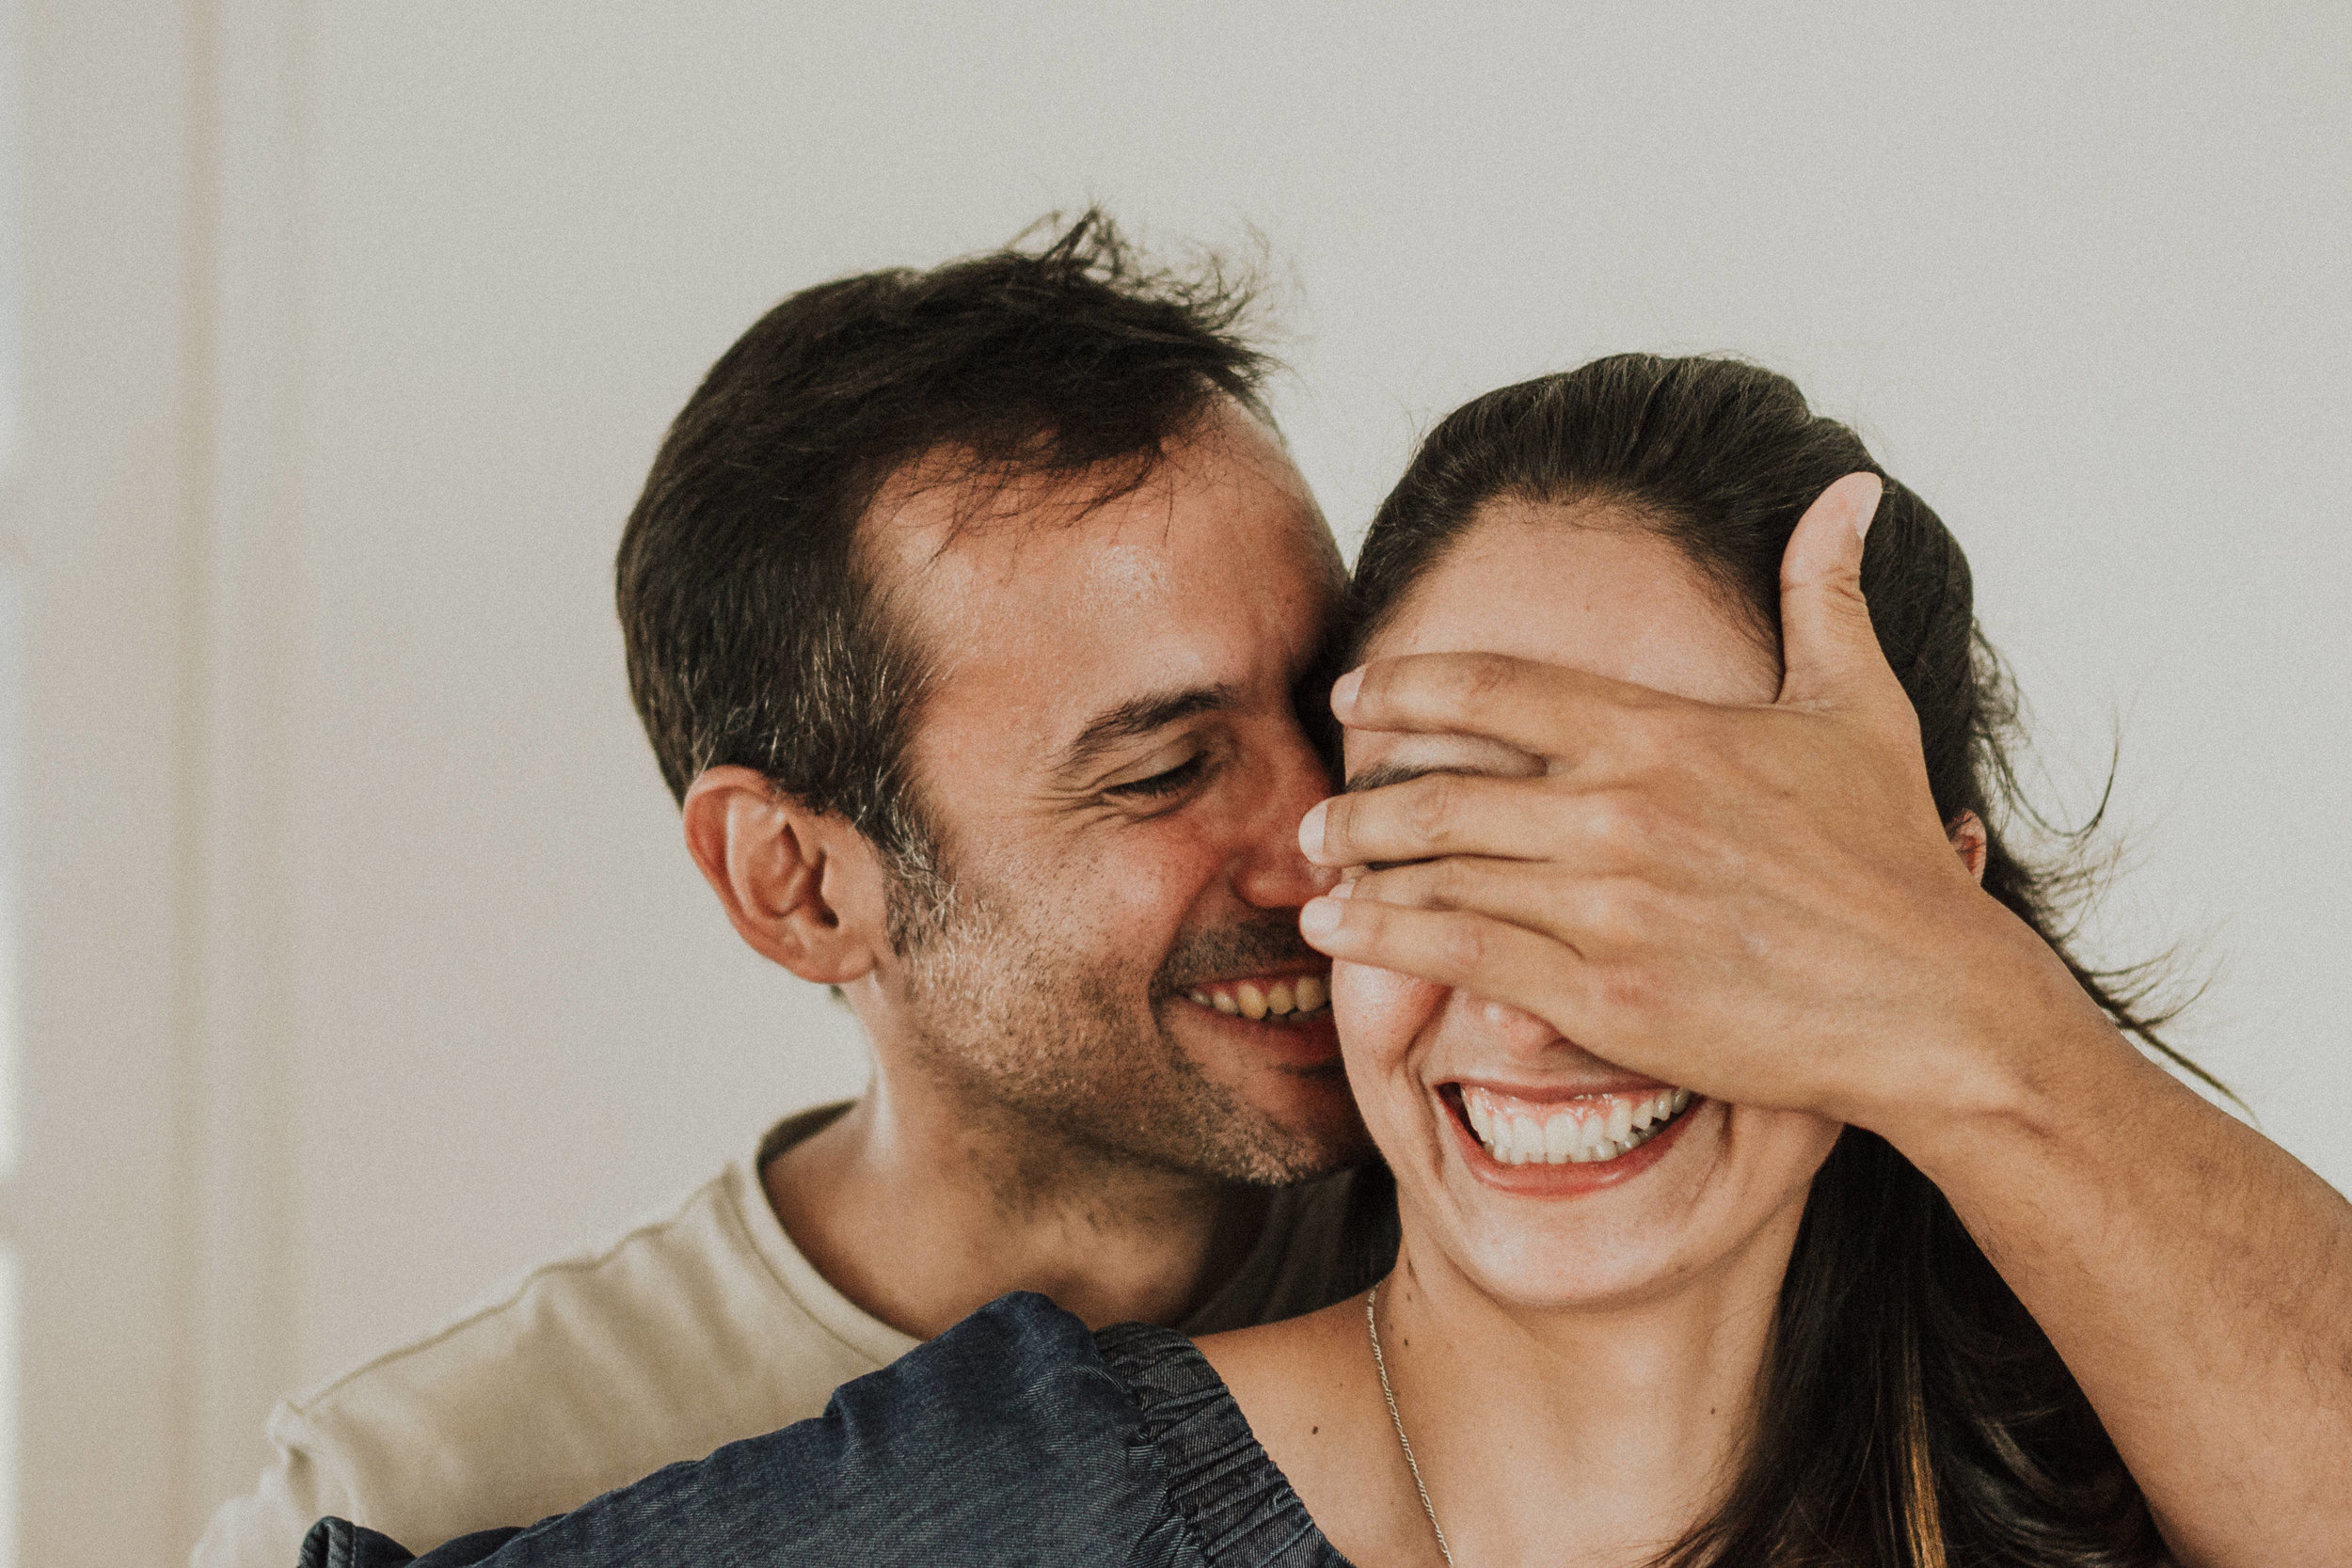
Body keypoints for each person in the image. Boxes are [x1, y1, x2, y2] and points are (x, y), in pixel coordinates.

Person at [301, 356, 2352, 1566]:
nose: (1547, 982)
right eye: (1444, 820)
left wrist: (1954, 1013)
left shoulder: (2130, 1457)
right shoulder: (1028, 1499)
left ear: (1919, 905)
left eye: (1691, 861)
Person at [196, 214, 1390, 1567]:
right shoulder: (422, 1487)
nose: (1324, 837)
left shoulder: (1549, 1251)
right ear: (799, 885)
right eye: (1165, 769)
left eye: (1331, 704)